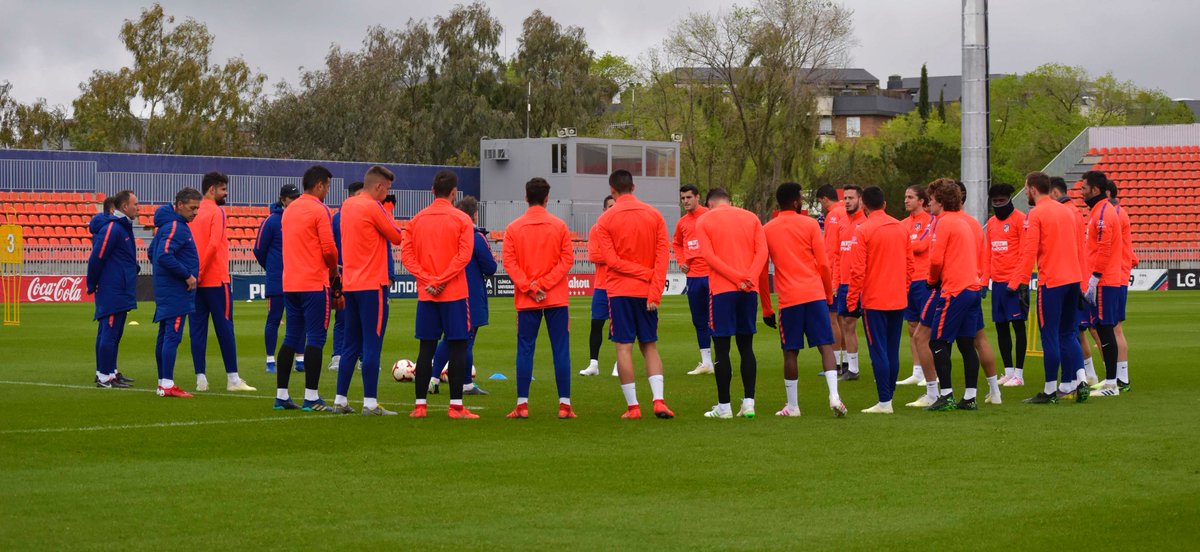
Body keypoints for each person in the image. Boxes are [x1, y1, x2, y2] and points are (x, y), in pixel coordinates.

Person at [592, 169, 675, 419]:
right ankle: (659, 401)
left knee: (623, 349)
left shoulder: (606, 220)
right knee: (650, 346)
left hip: (619, 291)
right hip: (647, 290)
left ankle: (633, 407)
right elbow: (663, 258)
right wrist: (654, 288)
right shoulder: (654, 215)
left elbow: (611, 261)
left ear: (612, 190)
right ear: (634, 187)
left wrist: (641, 273)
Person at [758, 182, 845, 417]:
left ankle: (793, 406)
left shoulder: (768, 229)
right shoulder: (809, 224)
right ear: (796, 201)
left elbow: (761, 271)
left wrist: (766, 308)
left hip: (789, 299)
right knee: (825, 346)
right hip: (815, 293)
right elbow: (824, 264)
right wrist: (827, 294)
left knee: (790, 352)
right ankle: (834, 397)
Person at [401, 170, 478, 419]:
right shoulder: (462, 220)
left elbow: (407, 257)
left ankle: (420, 405)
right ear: (454, 192)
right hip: (453, 293)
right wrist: (442, 279)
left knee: (426, 348)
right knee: (457, 347)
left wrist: (427, 279)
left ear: (432, 191)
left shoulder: (416, 220)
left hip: (427, 293)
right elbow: (464, 256)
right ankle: (456, 406)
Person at [1007, 172, 1089, 404]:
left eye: (1026, 189)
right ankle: (1080, 380)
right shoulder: (1068, 211)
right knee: (1068, 333)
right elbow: (1079, 248)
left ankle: (1050, 390)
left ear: (1033, 189)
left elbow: (1028, 252)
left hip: (1052, 281)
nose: (1025, 193)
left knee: (1050, 335)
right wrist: (1082, 283)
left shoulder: (1036, 214)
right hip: (1073, 279)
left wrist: (1016, 283)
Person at [329, 166, 405, 415]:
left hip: (352, 284)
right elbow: (396, 235)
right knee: (372, 343)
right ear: (379, 186)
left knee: (351, 344)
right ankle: (370, 402)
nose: (388, 194)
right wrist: (389, 211)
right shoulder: (374, 206)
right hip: (373, 285)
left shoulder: (347, 206)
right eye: (388, 189)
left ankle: (340, 400)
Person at [502, 178, 576, 419]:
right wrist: (544, 284)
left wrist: (531, 286)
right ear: (547, 198)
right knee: (561, 350)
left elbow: (509, 263)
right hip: (555, 297)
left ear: (526, 197)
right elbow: (567, 260)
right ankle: (564, 405)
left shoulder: (514, 228)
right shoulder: (559, 226)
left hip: (527, 299)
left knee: (525, 349)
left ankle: (522, 405)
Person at [695, 188, 768, 419]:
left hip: (722, 291)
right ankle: (749, 403)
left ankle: (724, 406)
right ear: (729, 199)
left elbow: (709, 257)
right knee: (746, 347)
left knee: (722, 348)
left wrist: (736, 278)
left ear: (709, 203)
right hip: (748, 289)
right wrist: (749, 277)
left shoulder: (704, 219)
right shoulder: (751, 217)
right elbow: (762, 252)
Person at [274, 165, 341, 412]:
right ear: (320, 185)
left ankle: (281, 395)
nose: (328, 192)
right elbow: (329, 249)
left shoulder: (289, 211)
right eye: (328, 187)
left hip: (290, 282)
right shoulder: (319, 210)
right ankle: (311, 396)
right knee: (316, 337)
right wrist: (334, 270)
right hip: (314, 282)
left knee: (292, 336)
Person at [845, 186, 912, 414]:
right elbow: (910, 266)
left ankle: (885, 401)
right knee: (892, 349)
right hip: (897, 298)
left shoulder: (863, 230)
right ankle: (888, 397)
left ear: (864, 206)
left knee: (878, 350)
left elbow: (857, 270)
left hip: (875, 300)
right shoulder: (901, 228)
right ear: (884, 204)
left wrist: (852, 299)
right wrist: (902, 288)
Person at [922, 179, 987, 411]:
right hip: (972, 288)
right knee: (967, 344)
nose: (929, 203)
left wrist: (931, 281)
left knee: (937, 341)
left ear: (940, 201)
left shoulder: (943, 222)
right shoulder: (963, 222)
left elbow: (936, 259)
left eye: (931, 199)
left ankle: (946, 394)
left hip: (955, 290)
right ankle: (970, 397)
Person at [187, 172, 255, 392]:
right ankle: (233, 379)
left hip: (195, 283)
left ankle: (200, 379)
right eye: (223, 189)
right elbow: (214, 244)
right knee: (225, 328)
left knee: (197, 330)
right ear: (212, 190)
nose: (226, 193)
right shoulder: (217, 211)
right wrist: (201, 271)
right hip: (215, 279)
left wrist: (193, 274)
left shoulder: (192, 212)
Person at [431, 196, 496, 395]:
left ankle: (432, 378)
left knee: (449, 337)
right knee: (466, 340)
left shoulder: (448, 233)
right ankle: (466, 384)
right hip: (470, 293)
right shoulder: (475, 236)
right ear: (474, 214)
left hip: (449, 291)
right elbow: (491, 267)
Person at [149, 188, 202, 399]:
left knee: (164, 337)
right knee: (172, 337)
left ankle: (163, 383)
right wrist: (186, 275)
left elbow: (151, 252)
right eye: (192, 208)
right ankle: (168, 384)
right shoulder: (176, 227)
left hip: (168, 290)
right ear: (179, 205)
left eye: (197, 208)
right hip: (175, 292)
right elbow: (162, 255)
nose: (195, 212)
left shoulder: (167, 226)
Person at [87, 189, 139, 388]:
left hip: (121, 287)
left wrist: (132, 268)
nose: (138, 207)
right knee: (108, 333)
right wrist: (92, 283)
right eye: (135, 204)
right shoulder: (113, 228)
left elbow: (120, 257)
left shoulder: (123, 228)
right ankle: (104, 376)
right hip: (112, 288)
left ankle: (110, 371)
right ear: (125, 207)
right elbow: (97, 257)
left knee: (114, 333)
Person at [1049, 176, 1098, 387]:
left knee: (1076, 331)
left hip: (1070, 278)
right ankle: (1087, 375)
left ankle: (1079, 379)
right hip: (1077, 276)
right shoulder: (1074, 211)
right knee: (1077, 331)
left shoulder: (1066, 212)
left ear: (1054, 193)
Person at [1080, 172, 1125, 397]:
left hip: (1104, 281)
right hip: (1103, 280)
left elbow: (1104, 248)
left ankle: (1111, 383)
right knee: (1103, 328)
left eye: (1084, 188)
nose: (1081, 192)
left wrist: (1095, 277)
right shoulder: (1099, 211)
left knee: (1106, 329)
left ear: (1095, 190)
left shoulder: (1103, 214)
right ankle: (1110, 381)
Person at [253, 184, 302, 374]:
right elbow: (258, 249)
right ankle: (270, 360)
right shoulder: (272, 221)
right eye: (292, 198)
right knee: (274, 318)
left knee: (298, 319)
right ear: (283, 200)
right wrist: (272, 267)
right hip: (278, 280)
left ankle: (300, 359)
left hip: (299, 277)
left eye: (298, 197)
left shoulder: (300, 218)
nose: (296, 201)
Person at [986, 183, 1029, 387]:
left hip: (1016, 284)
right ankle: (1009, 371)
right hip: (998, 284)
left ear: (1010, 199)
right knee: (1001, 327)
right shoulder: (992, 223)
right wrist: (984, 280)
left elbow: (1024, 254)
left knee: (1018, 327)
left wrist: (1016, 281)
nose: (998, 205)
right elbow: (988, 254)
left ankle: (1019, 375)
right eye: (995, 202)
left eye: (1002, 201)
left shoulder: (1021, 220)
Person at [672, 183, 715, 375]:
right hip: (694, 277)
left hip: (713, 274)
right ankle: (706, 362)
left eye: (689, 197)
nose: (685, 201)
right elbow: (677, 243)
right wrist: (681, 260)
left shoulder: (710, 216)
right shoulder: (682, 223)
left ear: (698, 197)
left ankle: (721, 361)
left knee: (717, 319)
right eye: (683, 199)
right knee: (699, 320)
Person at [898, 185, 935, 386]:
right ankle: (917, 370)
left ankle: (932, 371)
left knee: (926, 327)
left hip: (924, 279)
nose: (906, 200)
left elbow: (921, 246)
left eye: (910, 197)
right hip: (907, 279)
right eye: (905, 196)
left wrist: (902, 246)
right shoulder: (903, 223)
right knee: (911, 325)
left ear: (921, 201)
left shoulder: (930, 222)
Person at [328, 181, 366, 373]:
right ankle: (337, 355)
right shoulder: (336, 218)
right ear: (352, 196)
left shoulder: (368, 215)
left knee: (364, 317)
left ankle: (363, 357)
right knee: (342, 316)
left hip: (364, 272)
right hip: (342, 272)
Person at [1101, 183, 1135, 392]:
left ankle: (1121, 378)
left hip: (1116, 276)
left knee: (1114, 328)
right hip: (1119, 274)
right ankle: (1118, 377)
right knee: (1111, 327)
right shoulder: (1119, 212)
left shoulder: (1114, 213)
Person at [580, 195, 616, 377]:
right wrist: (616, 258)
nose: (613, 209)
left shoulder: (624, 229)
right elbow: (594, 255)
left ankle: (619, 364)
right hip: (602, 285)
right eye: (610, 206)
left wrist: (609, 256)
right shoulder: (596, 229)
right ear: (604, 210)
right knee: (596, 323)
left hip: (620, 285)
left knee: (620, 326)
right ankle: (593, 364)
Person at [833, 185, 866, 380]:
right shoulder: (843, 224)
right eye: (845, 198)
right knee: (846, 323)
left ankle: (874, 364)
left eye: (851, 198)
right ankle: (852, 367)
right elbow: (838, 255)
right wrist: (836, 281)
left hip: (863, 282)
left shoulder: (866, 223)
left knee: (867, 325)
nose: (847, 201)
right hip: (845, 283)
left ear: (860, 200)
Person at [815, 184, 847, 373]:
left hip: (835, 273)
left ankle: (835, 362)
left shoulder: (833, 215)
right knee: (843, 320)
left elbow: (830, 249)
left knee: (832, 318)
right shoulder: (846, 211)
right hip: (846, 272)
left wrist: (827, 274)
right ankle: (846, 361)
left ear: (825, 199)